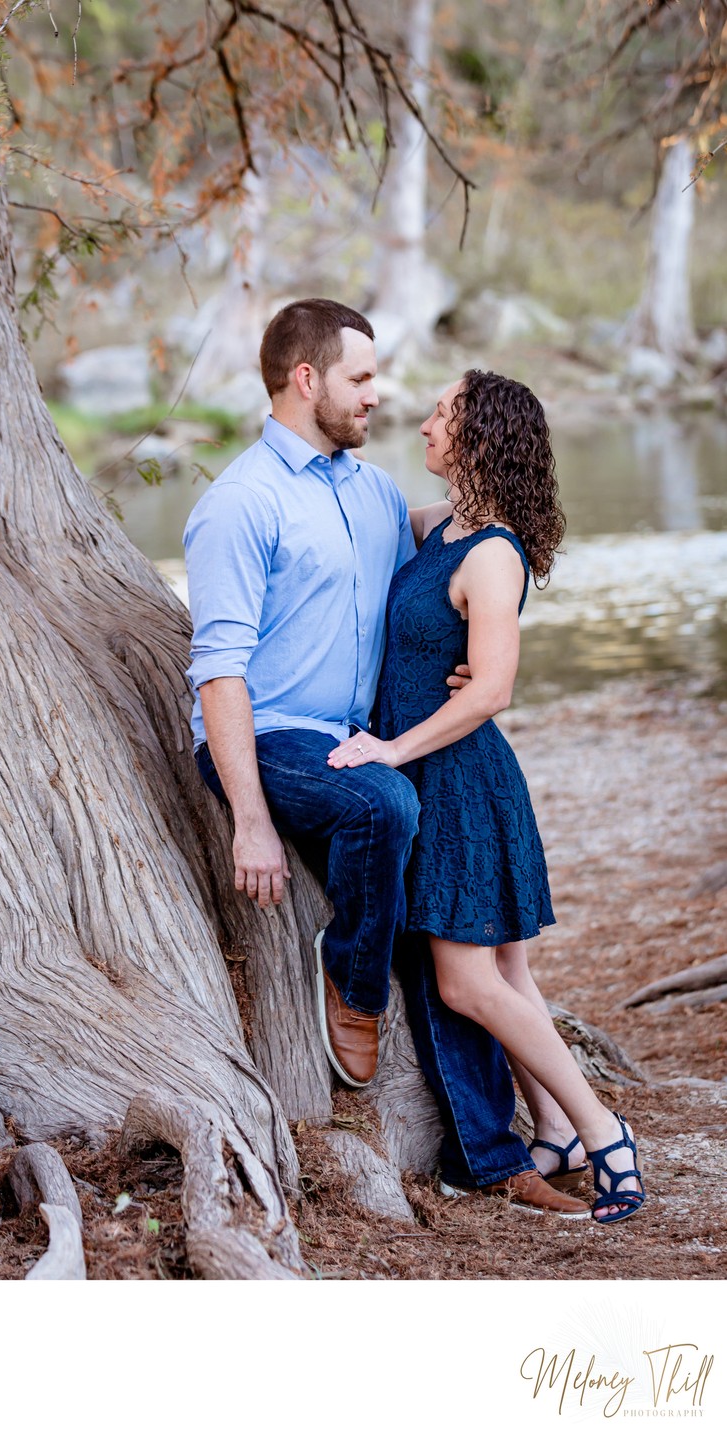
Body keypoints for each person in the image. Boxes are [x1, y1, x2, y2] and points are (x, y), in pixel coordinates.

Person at [184, 299, 589, 1217]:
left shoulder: (368, 494)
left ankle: (491, 1158)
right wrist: (249, 816)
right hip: (271, 738)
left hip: (358, 741)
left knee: (439, 925)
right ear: (306, 380)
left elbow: (463, 541)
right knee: (386, 812)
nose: (378, 396)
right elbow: (218, 669)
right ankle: (351, 977)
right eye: (361, 379)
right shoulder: (239, 504)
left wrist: (487, 595)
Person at [327, 369, 646, 1224]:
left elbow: (491, 688)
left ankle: (603, 1129)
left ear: (478, 437)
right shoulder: (439, 528)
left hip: (459, 782)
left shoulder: (493, 553)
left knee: (468, 984)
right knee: (510, 973)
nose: (424, 422)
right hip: (441, 774)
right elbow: (364, 520)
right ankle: (556, 1131)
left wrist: (390, 747)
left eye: (442, 414)